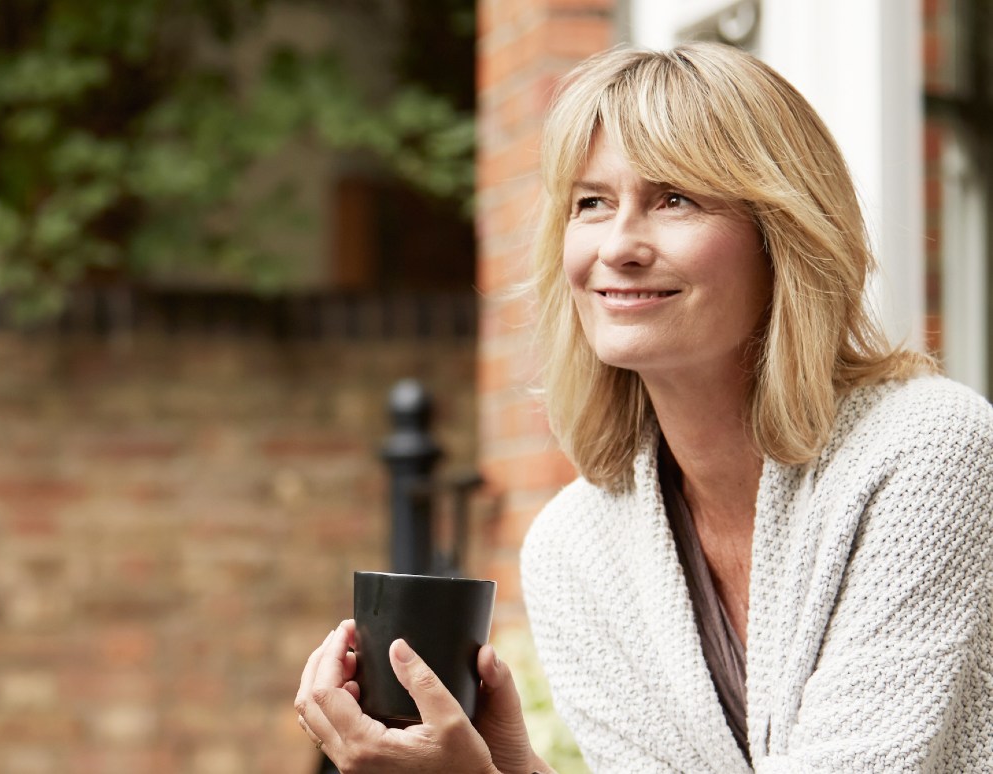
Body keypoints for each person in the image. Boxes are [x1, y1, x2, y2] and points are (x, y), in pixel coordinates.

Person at [295, 41, 993, 773]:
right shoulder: (577, 548)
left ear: (782, 237)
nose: (620, 245)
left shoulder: (926, 452)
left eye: (675, 199)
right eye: (591, 203)